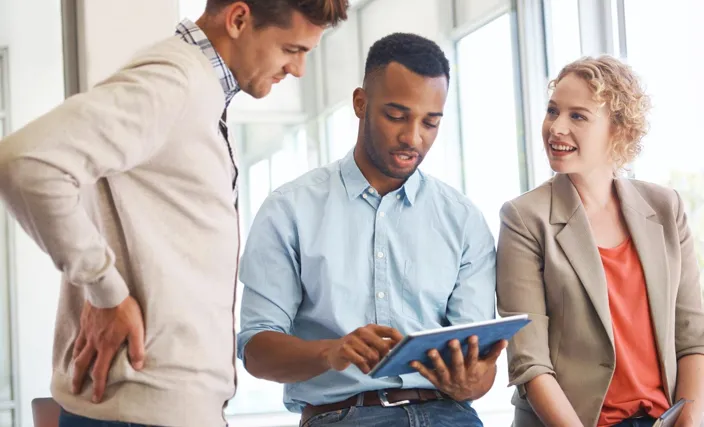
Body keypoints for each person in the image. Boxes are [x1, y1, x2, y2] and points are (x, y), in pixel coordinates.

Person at [0, 1, 348, 426]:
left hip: (160, 405)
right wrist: (103, 289)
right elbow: (26, 163)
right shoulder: (175, 81)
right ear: (239, 19)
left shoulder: (197, 89)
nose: (298, 69)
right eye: (292, 49)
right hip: (143, 409)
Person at [236, 32, 506, 427]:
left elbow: (480, 372)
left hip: (448, 415)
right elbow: (256, 350)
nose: (413, 138)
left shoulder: (463, 220)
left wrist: (471, 382)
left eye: (430, 122)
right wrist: (331, 352)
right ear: (360, 103)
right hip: (342, 416)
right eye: (396, 116)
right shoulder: (289, 210)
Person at [496, 55, 704, 427]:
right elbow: (530, 362)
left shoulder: (666, 207)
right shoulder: (524, 218)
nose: (556, 127)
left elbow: (693, 339)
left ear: (619, 131)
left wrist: (689, 422)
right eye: (552, 111)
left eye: (578, 116)